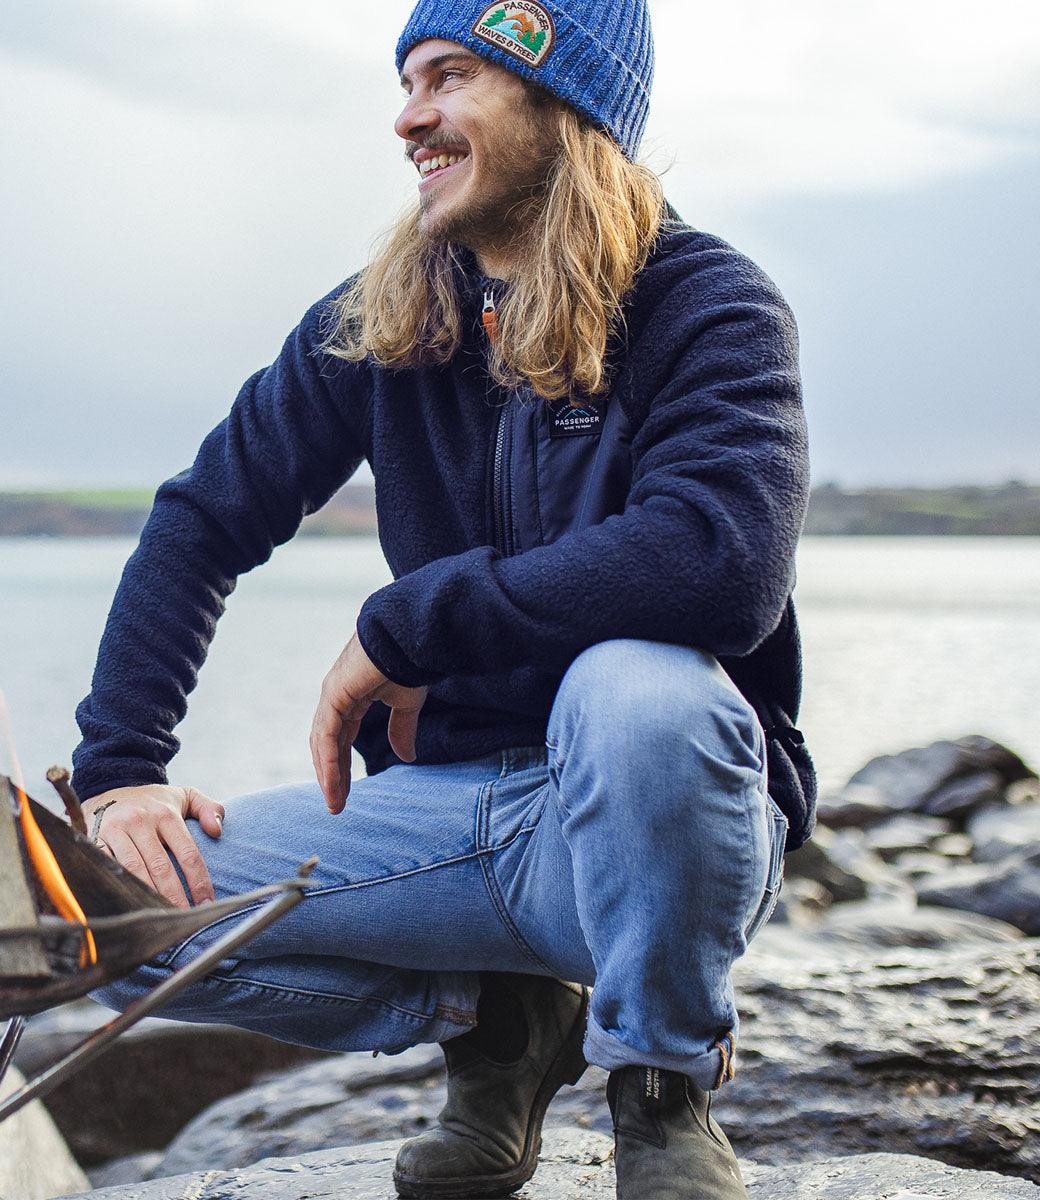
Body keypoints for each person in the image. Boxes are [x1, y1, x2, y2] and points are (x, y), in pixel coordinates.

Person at [71, 1, 815, 1196]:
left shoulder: (707, 304)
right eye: (407, 79)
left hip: (643, 824)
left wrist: (406, 625)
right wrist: (118, 771)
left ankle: (664, 1089)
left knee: (634, 689)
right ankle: (500, 1026)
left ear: (565, 99)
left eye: (451, 75)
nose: (409, 115)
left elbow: (716, 562)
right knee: (97, 918)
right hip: (450, 823)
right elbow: (200, 520)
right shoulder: (378, 317)